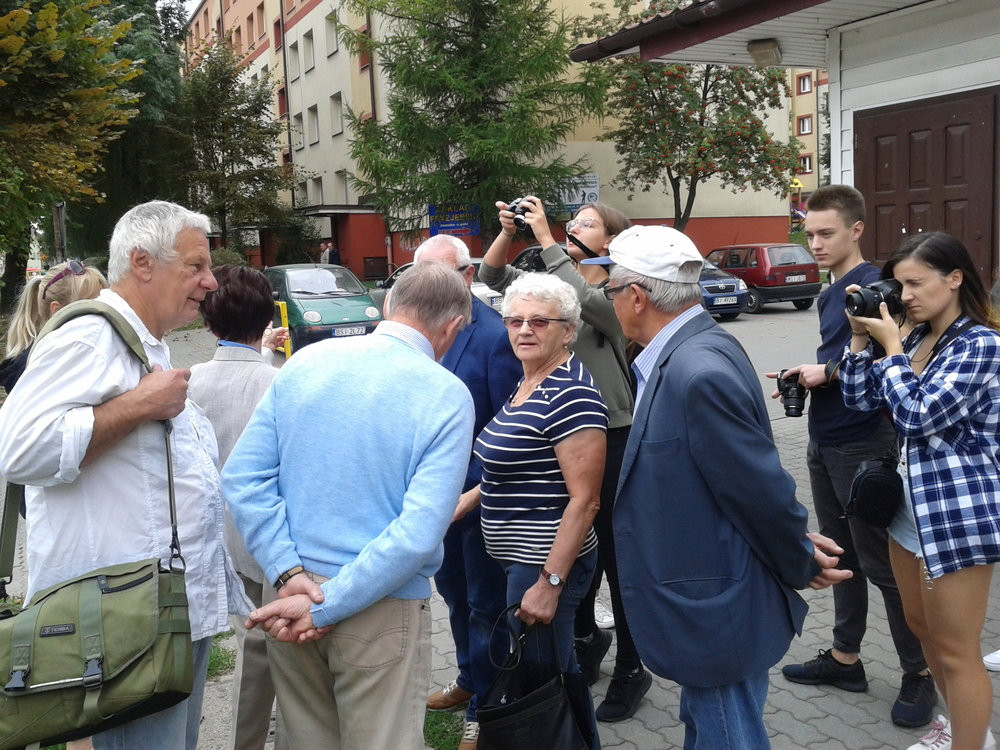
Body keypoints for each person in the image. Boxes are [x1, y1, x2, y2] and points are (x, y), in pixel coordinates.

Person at [582, 224, 851, 749]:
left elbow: (757, 487)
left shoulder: (696, 370)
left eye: (610, 290)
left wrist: (798, 556)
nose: (608, 302)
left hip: (715, 603)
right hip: (708, 593)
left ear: (636, 296)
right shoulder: (690, 350)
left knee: (726, 732)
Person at [0, 200, 246, 750]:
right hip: (120, 628)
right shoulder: (89, 337)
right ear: (141, 262)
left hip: (154, 617)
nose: (210, 282)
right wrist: (138, 405)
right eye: (196, 266)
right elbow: (18, 451)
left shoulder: (140, 342)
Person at [221, 262, 475, 749]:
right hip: (379, 605)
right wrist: (327, 605)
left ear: (387, 305)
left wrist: (286, 570)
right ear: (453, 327)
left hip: (290, 593)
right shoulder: (447, 394)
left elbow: (242, 477)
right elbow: (419, 533)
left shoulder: (304, 362)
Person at [480, 198, 651, 722]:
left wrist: (548, 241)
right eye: (572, 220)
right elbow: (492, 277)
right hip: (553, 434)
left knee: (615, 558)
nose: (574, 226)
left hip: (607, 432)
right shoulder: (554, 280)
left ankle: (632, 667)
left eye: (587, 223)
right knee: (577, 553)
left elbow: (583, 304)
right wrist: (509, 233)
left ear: (610, 241)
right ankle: (584, 640)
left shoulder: (613, 290)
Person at [773, 186, 934, 728]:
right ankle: (845, 658)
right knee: (839, 555)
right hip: (825, 437)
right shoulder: (832, 292)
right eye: (809, 233)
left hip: (865, 443)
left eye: (827, 233)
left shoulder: (880, 288)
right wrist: (808, 372)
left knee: (884, 564)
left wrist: (829, 372)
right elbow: (838, 356)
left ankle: (919, 672)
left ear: (857, 229)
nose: (815, 243)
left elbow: (901, 351)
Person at [842, 231, 1000, 750]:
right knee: (923, 630)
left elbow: (915, 415)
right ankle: (965, 733)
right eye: (899, 285)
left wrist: (890, 346)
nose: (904, 296)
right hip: (909, 510)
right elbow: (859, 399)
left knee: (957, 649)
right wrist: (861, 339)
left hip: (957, 512)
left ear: (954, 278)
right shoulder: (915, 338)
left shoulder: (981, 344)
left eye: (915, 283)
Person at [452, 272, 606, 749]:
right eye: (514, 320)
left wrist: (549, 583)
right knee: (548, 675)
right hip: (518, 558)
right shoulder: (530, 381)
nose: (523, 330)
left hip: (543, 561)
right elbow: (515, 466)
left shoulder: (571, 394)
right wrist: (462, 503)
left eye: (539, 322)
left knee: (545, 685)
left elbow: (585, 500)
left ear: (568, 330)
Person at [415, 235, 522, 750]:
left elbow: (508, 425)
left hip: (479, 500)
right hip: (433, 499)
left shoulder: (496, 335)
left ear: (467, 275)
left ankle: (489, 706)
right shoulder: (413, 327)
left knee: (485, 604)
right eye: (420, 277)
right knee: (453, 595)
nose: (430, 287)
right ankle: (468, 678)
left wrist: (476, 491)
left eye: (441, 275)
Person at [188, 265, 289, 750]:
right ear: (267, 317)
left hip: (214, 538)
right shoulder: (280, 383)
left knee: (251, 648)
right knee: (280, 657)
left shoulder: (187, 382)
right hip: (271, 540)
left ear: (208, 322)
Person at [0, 260, 108, 392]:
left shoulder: (84, 353)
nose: (104, 315)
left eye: (103, 304)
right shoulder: (36, 370)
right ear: (57, 311)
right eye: (89, 307)